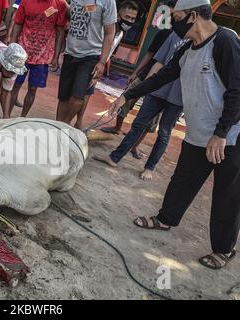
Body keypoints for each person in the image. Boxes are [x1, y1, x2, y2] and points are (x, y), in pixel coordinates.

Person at [108, 0, 240, 269]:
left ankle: (223, 249)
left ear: (192, 16)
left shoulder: (224, 41)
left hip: (230, 136)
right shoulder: (188, 49)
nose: (173, 22)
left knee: (228, 193)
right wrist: (128, 95)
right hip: (199, 131)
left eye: (176, 17)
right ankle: (166, 219)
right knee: (182, 180)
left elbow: (237, 90)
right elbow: (164, 75)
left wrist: (222, 131)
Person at [94, 30, 187, 182]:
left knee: (164, 132)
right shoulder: (174, 35)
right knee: (138, 124)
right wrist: (146, 85)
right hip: (157, 90)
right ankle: (114, 158)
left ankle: (149, 167)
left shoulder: (201, 44)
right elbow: (159, 62)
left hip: (178, 97)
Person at [101, 0, 177, 160]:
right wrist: (135, 73)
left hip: (162, 84)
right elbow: (149, 55)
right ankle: (117, 127)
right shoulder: (164, 33)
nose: (171, 17)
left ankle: (134, 146)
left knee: (150, 120)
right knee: (125, 101)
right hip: (145, 76)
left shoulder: (187, 40)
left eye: (173, 14)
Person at [74, 0, 139, 130]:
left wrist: (101, 67)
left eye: (133, 18)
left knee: (87, 93)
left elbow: (109, 50)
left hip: (98, 65)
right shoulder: (106, 26)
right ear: (118, 15)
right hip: (87, 61)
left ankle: (78, 122)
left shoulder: (120, 32)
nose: (130, 21)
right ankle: (68, 122)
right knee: (77, 96)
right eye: (127, 17)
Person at [56, 0, 117, 125]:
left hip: (90, 56)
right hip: (70, 53)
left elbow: (110, 33)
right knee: (63, 97)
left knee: (78, 97)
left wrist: (102, 62)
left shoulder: (108, 2)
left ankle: (64, 125)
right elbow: (70, 15)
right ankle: (57, 126)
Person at [8, 0, 68, 117]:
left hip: (43, 56)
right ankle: (6, 117)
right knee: (14, 85)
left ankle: (22, 118)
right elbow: (18, 24)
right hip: (22, 52)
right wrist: (12, 46)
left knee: (33, 88)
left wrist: (55, 56)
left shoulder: (60, 4)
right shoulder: (26, 1)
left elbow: (60, 31)